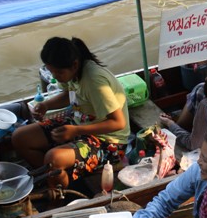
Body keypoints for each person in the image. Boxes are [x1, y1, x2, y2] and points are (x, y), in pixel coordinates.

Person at [11, 37, 130, 190]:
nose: (54, 77)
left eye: (58, 72)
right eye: (51, 71)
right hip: (78, 122)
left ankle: (60, 194)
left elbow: (118, 122)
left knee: (53, 158)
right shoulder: (70, 72)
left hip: (110, 142)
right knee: (20, 137)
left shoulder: (95, 81)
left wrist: (76, 131)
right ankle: (56, 178)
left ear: (74, 65)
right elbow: (70, 94)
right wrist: (46, 105)